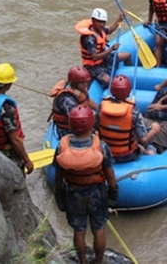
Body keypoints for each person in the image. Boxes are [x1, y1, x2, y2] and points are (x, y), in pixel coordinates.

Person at [53, 105, 118, 264]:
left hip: (73, 193)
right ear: (91, 123)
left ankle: (82, 261)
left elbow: (58, 176)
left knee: (79, 230)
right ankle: (98, 261)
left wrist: (59, 194)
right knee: (99, 229)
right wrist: (113, 192)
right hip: (96, 192)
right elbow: (109, 174)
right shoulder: (102, 147)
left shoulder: (62, 147)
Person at [97, 75, 159, 162]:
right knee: (150, 147)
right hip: (127, 155)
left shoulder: (101, 106)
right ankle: (151, 156)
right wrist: (154, 129)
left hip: (105, 151)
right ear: (128, 91)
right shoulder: (133, 111)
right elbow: (143, 140)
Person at [75, 7, 131, 87]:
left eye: (103, 22)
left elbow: (110, 30)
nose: (102, 24)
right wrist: (111, 49)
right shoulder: (89, 39)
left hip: (103, 57)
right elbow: (94, 57)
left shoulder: (100, 29)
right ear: (93, 20)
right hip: (93, 66)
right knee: (110, 83)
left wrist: (120, 19)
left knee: (127, 55)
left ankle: (129, 73)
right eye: (99, 22)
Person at [50, 66, 97, 138]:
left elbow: (87, 100)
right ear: (75, 83)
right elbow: (77, 121)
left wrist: (100, 110)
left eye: (86, 83)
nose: (85, 85)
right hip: (66, 129)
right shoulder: (67, 99)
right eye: (83, 83)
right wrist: (93, 132)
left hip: (80, 116)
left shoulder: (79, 89)